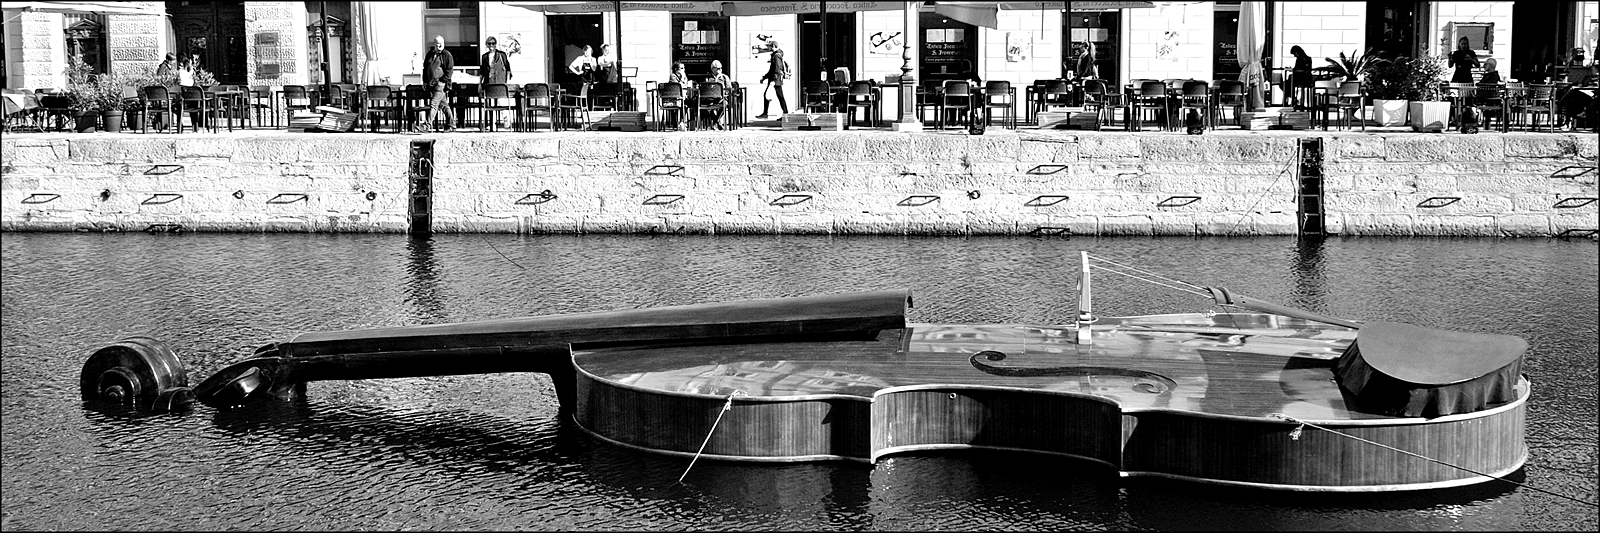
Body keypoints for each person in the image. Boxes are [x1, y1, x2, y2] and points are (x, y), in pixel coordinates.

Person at [418, 35, 455, 133]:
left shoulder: (447, 55)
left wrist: (442, 80)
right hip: (431, 83)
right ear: (434, 44)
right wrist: (425, 81)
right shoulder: (429, 54)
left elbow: (449, 70)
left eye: (441, 44)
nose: (439, 46)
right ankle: (451, 125)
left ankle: (427, 126)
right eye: (437, 44)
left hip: (440, 83)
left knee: (434, 104)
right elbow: (425, 68)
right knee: (443, 105)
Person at [481, 36, 513, 129]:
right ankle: (492, 123)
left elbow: (507, 68)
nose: (491, 45)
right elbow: (482, 71)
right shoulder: (485, 56)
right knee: (490, 104)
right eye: (489, 43)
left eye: (493, 43)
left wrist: (506, 82)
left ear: (496, 44)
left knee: (501, 102)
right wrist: (480, 83)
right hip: (489, 82)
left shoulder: (501, 54)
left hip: (500, 82)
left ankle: (507, 121)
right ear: (486, 45)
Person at [756, 39, 790, 119]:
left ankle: (784, 114)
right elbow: (772, 70)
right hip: (775, 79)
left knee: (776, 96)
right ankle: (784, 114)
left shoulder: (776, 56)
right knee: (777, 96)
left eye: (770, 46)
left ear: (774, 46)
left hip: (775, 80)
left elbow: (776, 69)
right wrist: (764, 77)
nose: (768, 48)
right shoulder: (776, 55)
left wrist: (773, 80)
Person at [703, 59, 732, 129]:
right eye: (718, 68)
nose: (720, 70)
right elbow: (705, 89)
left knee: (725, 104)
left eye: (721, 68)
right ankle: (717, 122)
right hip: (710, 99)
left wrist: (725, 92)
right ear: (712, 69)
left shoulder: (725, 77)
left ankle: (715, 122)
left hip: (721, 98)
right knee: (708, 106)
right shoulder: (708, 78)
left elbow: (729, 88)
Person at [1288, 45, 1313, 110]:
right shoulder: (1308, 58)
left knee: (1289, 83)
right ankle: (1294, 98)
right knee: (1289, 82)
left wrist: (1293, 70)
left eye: (1294, 53)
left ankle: (1294, 98)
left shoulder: (1300, 59)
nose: (1294, 55)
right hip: (1305, 78)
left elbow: (1299, 69)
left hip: (1301, 78)